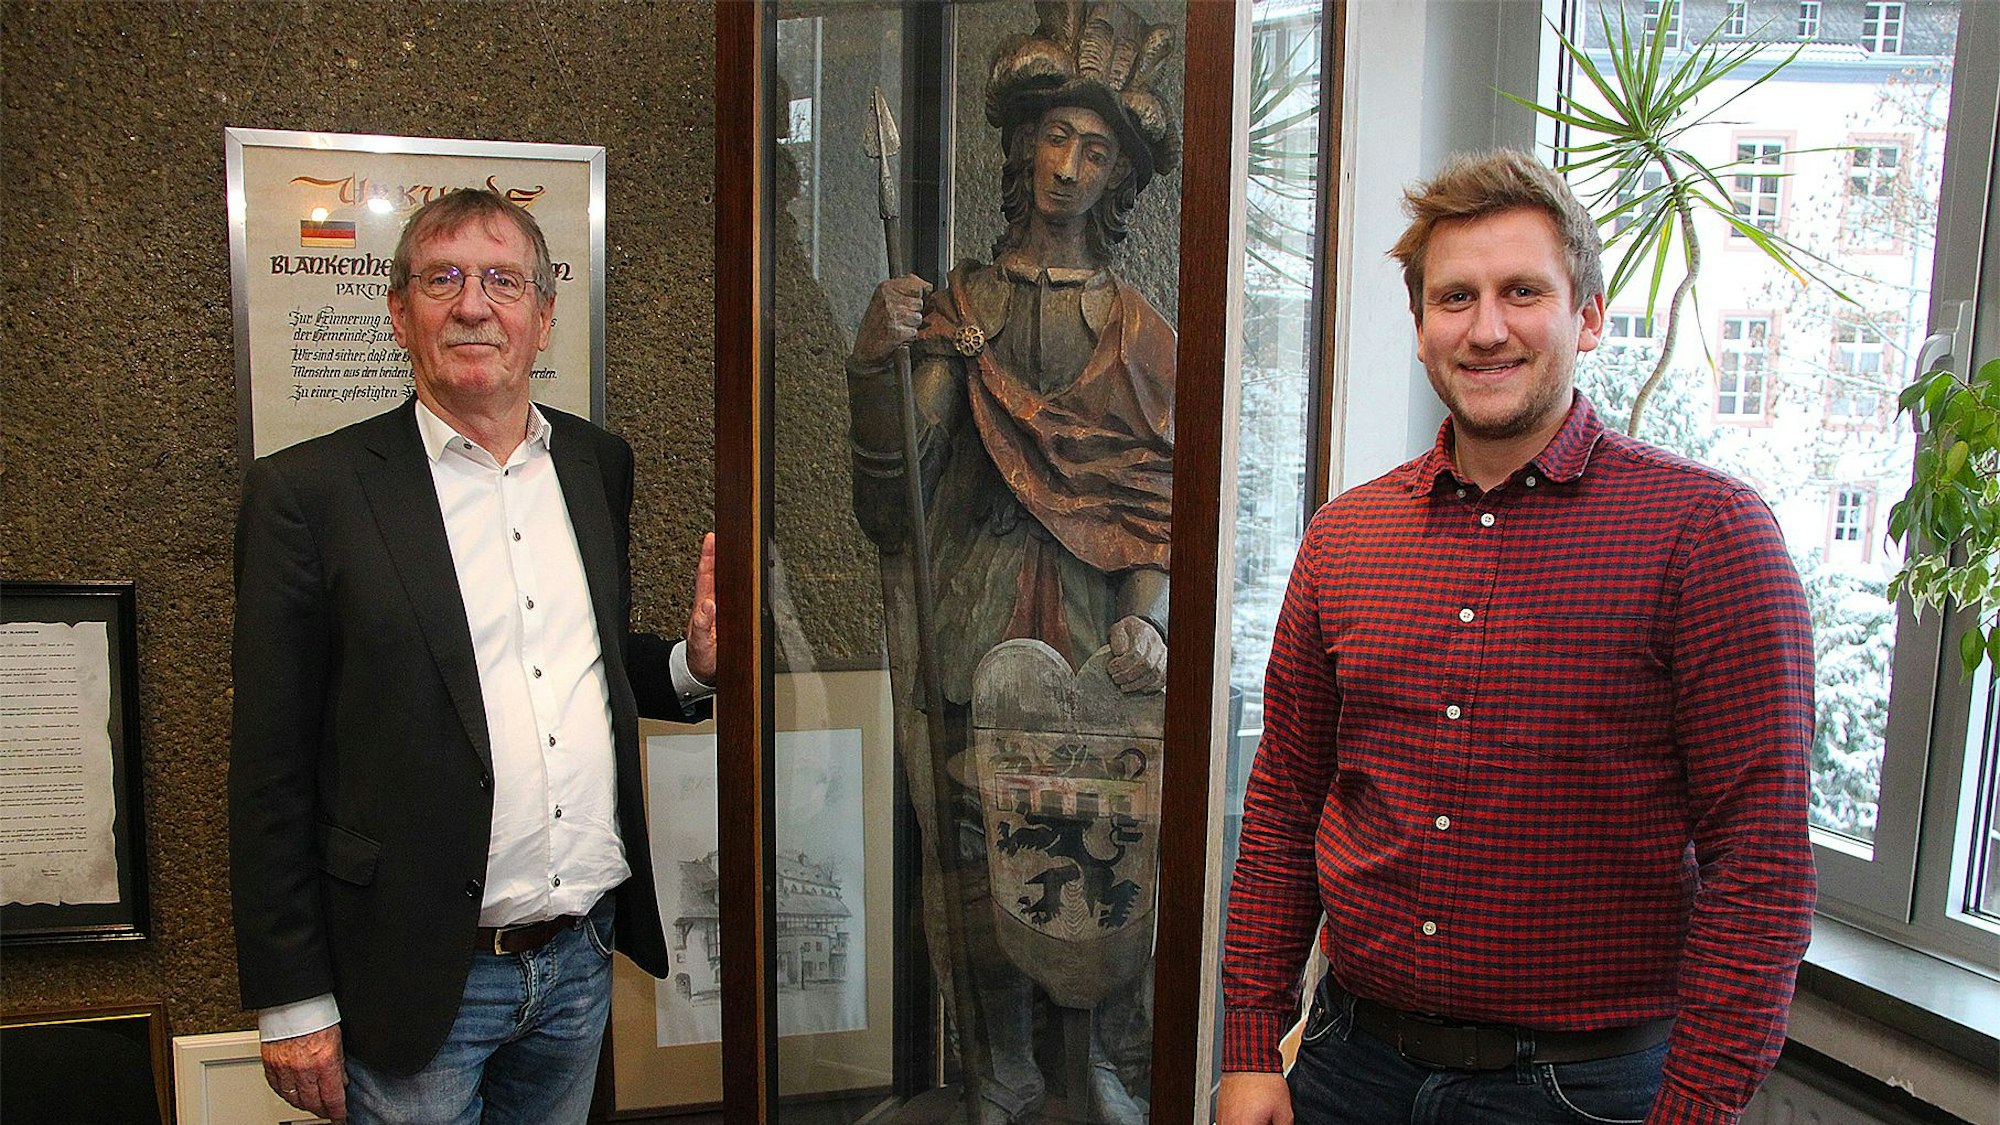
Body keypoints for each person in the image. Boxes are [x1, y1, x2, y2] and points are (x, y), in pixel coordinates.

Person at [1218, 149, 1816, 1125]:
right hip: (1343, 1066)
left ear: (1584, 315)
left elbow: (1760, 866)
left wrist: (1694, 1113)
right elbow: (1284, 806)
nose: (1484, 328)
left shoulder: (1703, 537)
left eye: (1520, 292)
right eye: (1453, 298)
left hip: (1582, 1092)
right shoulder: (1345, 537)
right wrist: (1249, 1045)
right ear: (1418, 329)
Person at [229, 188, 717, 1125]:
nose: (472, 304)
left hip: (578, 961)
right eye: (442, 278)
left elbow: (580, 663)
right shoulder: (310, 494)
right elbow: (268, 768)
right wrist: (293, 999)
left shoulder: (594, 464)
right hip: (417, 976)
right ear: (399, 311)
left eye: (502, 280)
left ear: (542, 316)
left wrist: (693, 667)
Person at [845, 5, 1177, 1119]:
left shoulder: (1134, 326)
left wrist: (1148, 609)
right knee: (975, 849)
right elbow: (902, 486)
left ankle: (1098, 1068)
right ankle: (996, 1063)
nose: (1068, 168)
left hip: (1090, 622)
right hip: (977, 605)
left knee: (1096, 841)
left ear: (1116, 177)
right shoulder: (965, 300)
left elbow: (1151, 493)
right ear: (1021, 149)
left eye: (1094, 152)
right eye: (1053, 141)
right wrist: (878, 364)